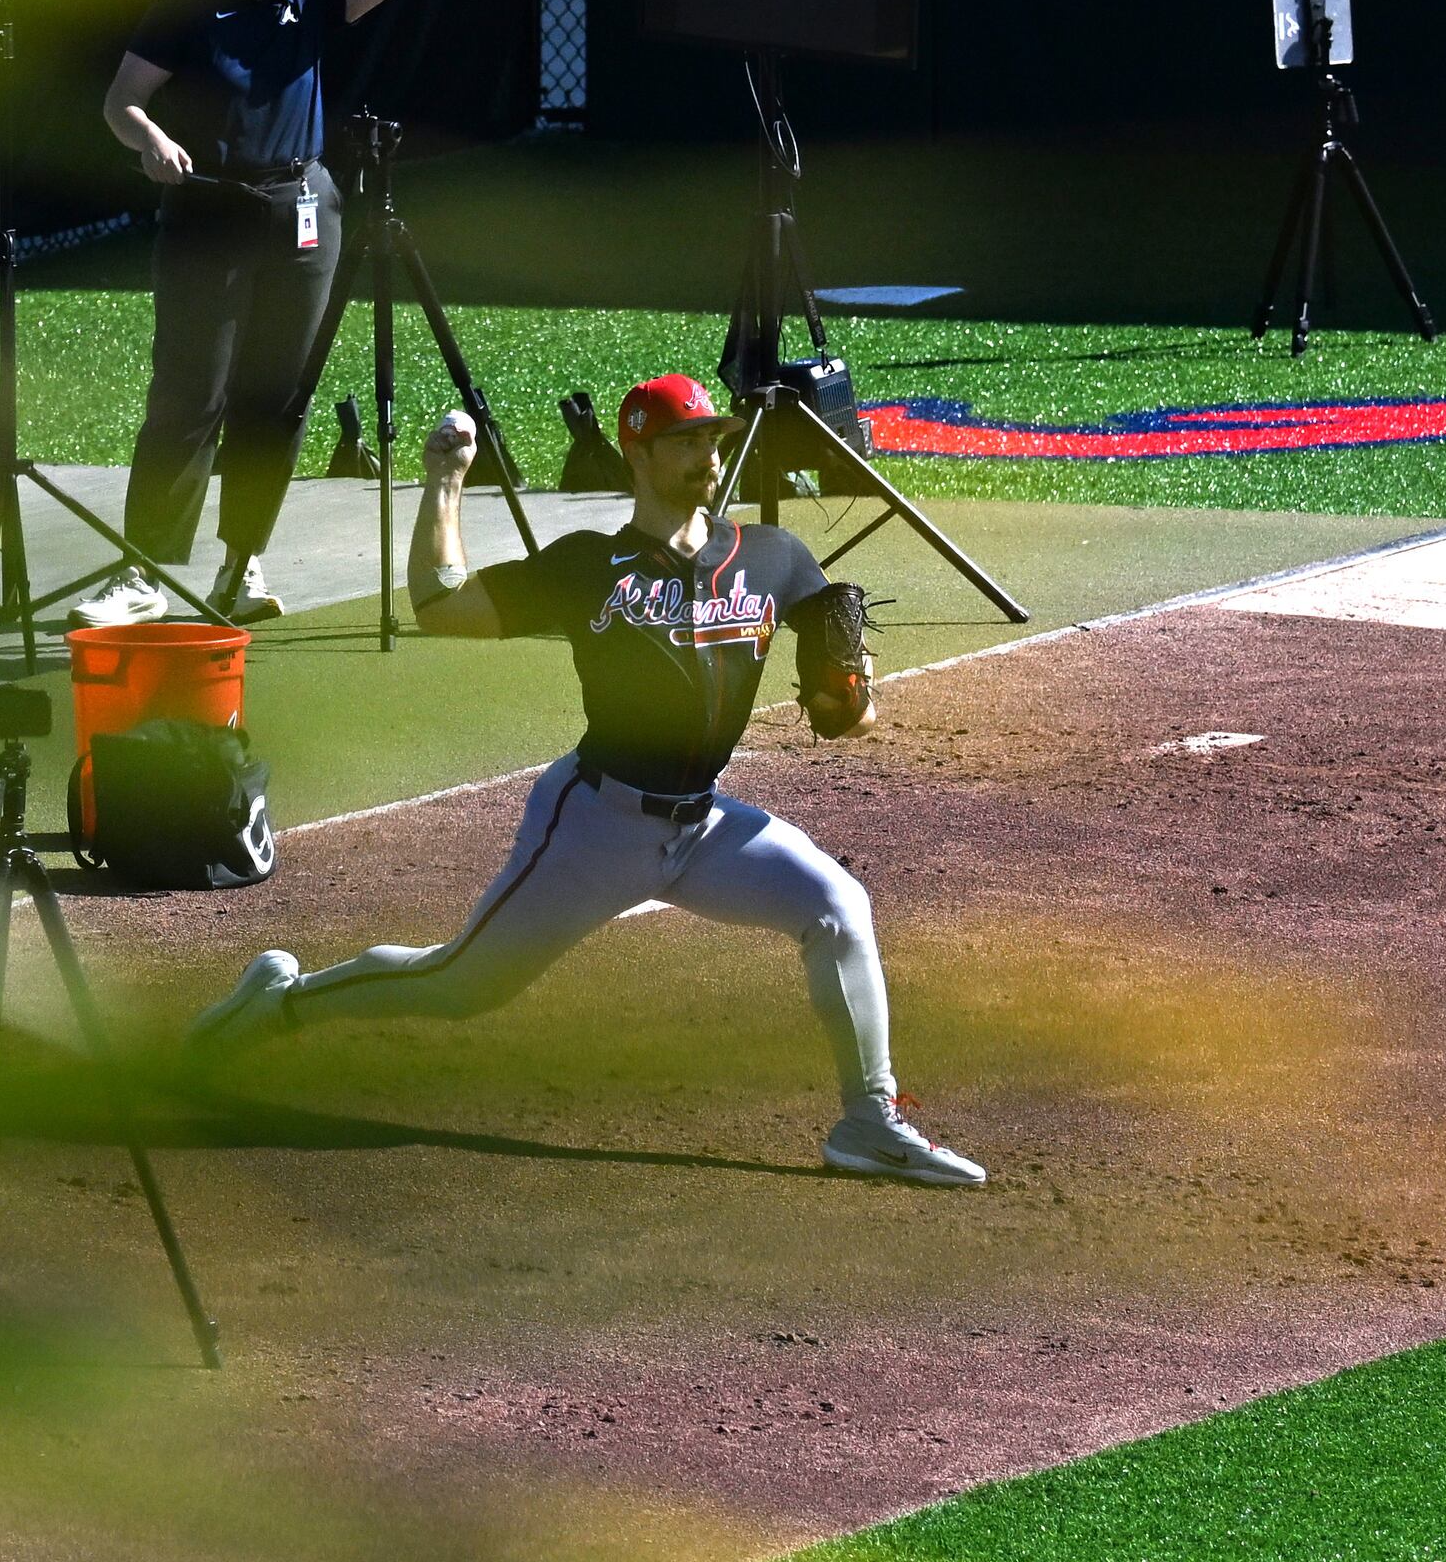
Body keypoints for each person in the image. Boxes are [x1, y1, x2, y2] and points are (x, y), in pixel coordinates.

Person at [183, 375, 986, 1186]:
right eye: (686, 441)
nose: (708, 454)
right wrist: (445, 483)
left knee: (838, 907)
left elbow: (847, 698)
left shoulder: (772, 558)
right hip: (596, 822)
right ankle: (279, 1002)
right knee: (463, 984)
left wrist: (853, 693)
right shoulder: (589, 567)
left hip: (705, 827)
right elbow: (439, 604)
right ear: (636, 452)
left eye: (713, 438)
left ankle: (869, 1123)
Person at [85, 0, 427, 628]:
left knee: (277, 401)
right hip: (211, 216)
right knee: (190, 394)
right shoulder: (187, 8)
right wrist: (152, 140)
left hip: (305, 211)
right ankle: (142, 572)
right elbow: (122, 103)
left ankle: (242, 564)